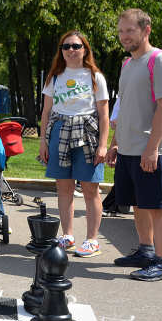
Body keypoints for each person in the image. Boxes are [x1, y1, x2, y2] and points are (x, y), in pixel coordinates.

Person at [105, 9, 162, 281]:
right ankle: (146, 252)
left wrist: (152, 148)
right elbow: (123, 108)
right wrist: (115, 143)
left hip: (149, 149)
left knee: (157, 206)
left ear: (146, 30)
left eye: (130, 31)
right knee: (138, 204)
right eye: (121, 31)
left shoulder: (160, 60)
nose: (124, 36)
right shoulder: (127, 64)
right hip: (127, 149)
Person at [38, 31, 109, 258]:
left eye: (76, 46)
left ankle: (92, 241)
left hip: (88, 134)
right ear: (61, 50)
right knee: (64, 188)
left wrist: (103, 145)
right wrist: (43, 141)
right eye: (65, 46)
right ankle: (67, 236)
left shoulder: (95, 77)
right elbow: (46, 112)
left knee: (90, 190)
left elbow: (104, 115)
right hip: (59, 132)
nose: (71, 50)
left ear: (85, 49)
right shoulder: (55, 77)